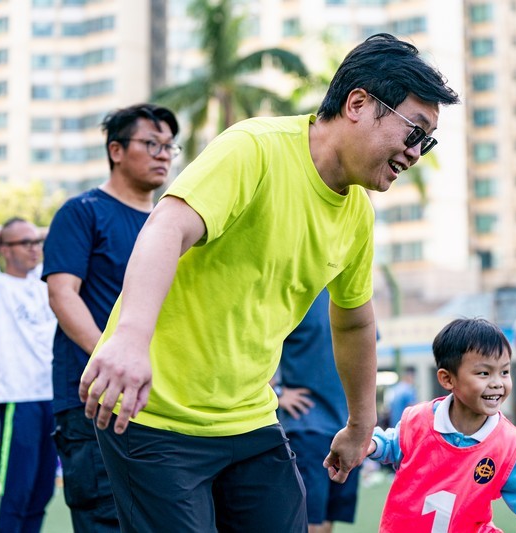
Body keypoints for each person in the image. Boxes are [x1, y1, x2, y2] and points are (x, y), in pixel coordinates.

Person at [78, 33, 459, 532]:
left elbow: (355, 323)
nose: (416, 152)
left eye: (427, 141)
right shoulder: (255, 148)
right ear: (358, 104)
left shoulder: (357, 216)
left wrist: (361, 423)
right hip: (153, 416)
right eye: (415, 131)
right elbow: (167, 227)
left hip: (249, 420)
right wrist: (130, 339)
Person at [42, 103, 180, 531]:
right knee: (106, 520)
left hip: (163, 404)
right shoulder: (82, 212)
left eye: (169, 146)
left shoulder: (173, 224)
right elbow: (62, 295)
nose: (163, 154)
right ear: (116, 150)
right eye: (151, 143)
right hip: (94, 402)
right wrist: (117, 361)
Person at [368, 318, 516, 532]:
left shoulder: (508, 445)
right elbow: (391, 444)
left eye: (504, 371)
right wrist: (370, 444)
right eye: (484, 373)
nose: (497, 383)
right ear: (447, 379)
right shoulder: (419, 420)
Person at [0, 219, 57, 532]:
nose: (34, 248)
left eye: (37, 242)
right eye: (25, 243)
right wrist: (4, 230)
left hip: (53, 399)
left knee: (43, 492)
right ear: (4, 249)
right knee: (17, 492)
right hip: (20, 401)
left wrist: (29, 232)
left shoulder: (45, 279)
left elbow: (61, 230)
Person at [277, 289, 362, 533]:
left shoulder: (351, 292)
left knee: (327, 520)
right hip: (306, 425)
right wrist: (276, 391)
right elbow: (256, 341)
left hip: (348, 426)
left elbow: (364, 345)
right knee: (309, 520)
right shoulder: (296, 289)